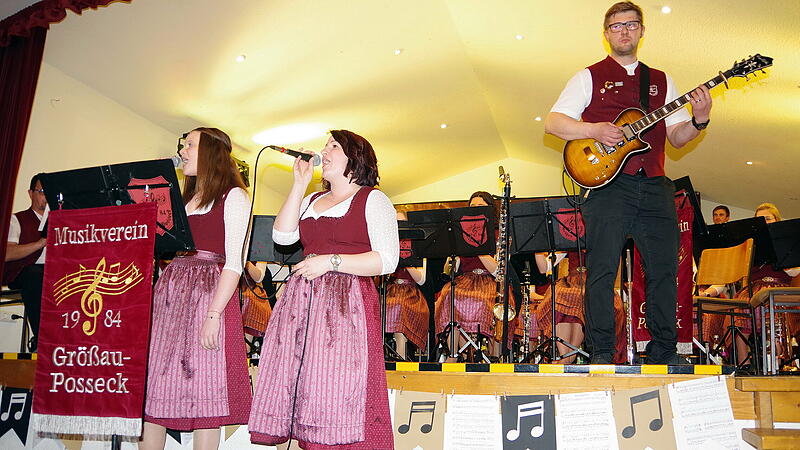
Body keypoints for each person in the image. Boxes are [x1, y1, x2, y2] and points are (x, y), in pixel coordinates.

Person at [544, 1, 712, 364]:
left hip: (654, 185)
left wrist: (699, 120)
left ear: (642, 31)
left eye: (632, 25)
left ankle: (664, 351)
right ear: (606, 34)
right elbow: (553, 123)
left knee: (664, 270)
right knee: (602, 270)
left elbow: (677, 137)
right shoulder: (588, 77)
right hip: (608, 187)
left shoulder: (663, 81)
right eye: (617, 26)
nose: (624, 31)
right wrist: (593, 130)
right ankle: (602, 352)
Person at [249, 130, 398, 449]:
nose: (324, 151)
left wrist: (331, 262)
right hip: (302, 299)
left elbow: (387, 260)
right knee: (302, 380)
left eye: (333, 146)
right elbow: (283, 237)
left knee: (335, 381)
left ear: (355, 157)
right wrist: (299, 184)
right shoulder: (312, 200)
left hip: (346, 301)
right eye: (325, 146)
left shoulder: (372, 199)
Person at [141, 128, 252, 450]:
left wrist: (214, 314)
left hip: (207, 292)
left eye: (190, 144)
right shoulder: (181, 201)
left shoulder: (233, 196)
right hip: (170, 292)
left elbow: (234, 262)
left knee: (206, 390)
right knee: (155, 387)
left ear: (211, 152)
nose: (183, 150)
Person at [433, 191, 517, 359]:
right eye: (472, 207)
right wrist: (452, 252)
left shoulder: (498, 233)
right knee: (449, 295)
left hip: (490, 281)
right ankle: (453, 354)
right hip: (466, 279)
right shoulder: (461, 232)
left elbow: (498, 271)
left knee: (491, 301)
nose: (475, 209)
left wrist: (476, 245)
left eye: (480, 206)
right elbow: (450, 270)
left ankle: (493, 356)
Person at [729, 203, 799, 367]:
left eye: (768, 218)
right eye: (760, 220)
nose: (764, 222)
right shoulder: (750, 243)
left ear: (776, 221)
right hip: (753, 287)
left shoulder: (785, 242)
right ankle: (744, 364)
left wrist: (784, 263)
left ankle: (777, 362)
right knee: (740, 308)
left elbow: (795, 272)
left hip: (778, 287)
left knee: (773, 308)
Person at [4, 173, 48, 351]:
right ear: (31, 193)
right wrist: (40, 243)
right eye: (42, 191)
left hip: (52, 274)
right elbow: (7, 253)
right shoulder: (17, 219)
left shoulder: (61, 221)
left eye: (49, 191)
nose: (46, 196)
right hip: (23, 273)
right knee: (36, 275)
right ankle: (42, 339)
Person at [384, 210, 429, 360]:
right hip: (390, 290)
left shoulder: (418, 246)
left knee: (400, 305)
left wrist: (405, 260)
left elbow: (421, 280)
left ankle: (401, 354)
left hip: (410, 292)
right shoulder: (386, 245)